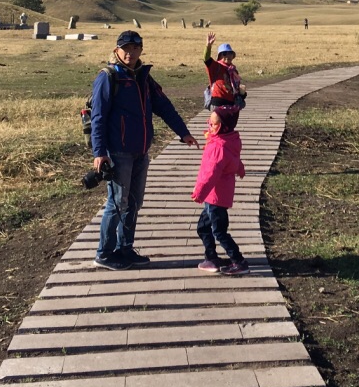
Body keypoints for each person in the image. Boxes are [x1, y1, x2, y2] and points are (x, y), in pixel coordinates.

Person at [89, 30, 199, 270]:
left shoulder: (144, 78)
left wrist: (183, 133)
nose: (130, 53)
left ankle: (125, 249)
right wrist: (99, 152)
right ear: (117, 50)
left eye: (134, 48)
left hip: (141, 150)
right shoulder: (108, 77)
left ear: (141, 50)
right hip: (118, 151)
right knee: (117, 203)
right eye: (125, 48)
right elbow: (98, 117)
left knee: (134, 202)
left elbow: (164, 106)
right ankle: (104, 254)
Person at [192, 112, 248, 275]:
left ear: (222, 127)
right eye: (209, 121)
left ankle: (239, 261)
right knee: (203, 227)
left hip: (215, 195)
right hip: (217, 195)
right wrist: (240, 168)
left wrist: (199, 192)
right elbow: (234, 158)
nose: (209, 125)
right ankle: (212, 258)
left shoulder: (218, 146)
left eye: (213, 124)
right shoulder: (229, 140)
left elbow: (211, 173)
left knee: (219, 231)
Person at [203, 32, 245, 138]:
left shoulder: (233, 71)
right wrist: (208, 46)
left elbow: (235, 89)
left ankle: (226, 151)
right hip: (218, 102)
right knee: (216, 130)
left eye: (230, 53)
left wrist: (242, 94)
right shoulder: (215, 67)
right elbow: (206, 59)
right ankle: (214, 150)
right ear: (220, 56)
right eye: (225, 53)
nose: (228, 56)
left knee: (229, 130)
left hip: (231, 104)